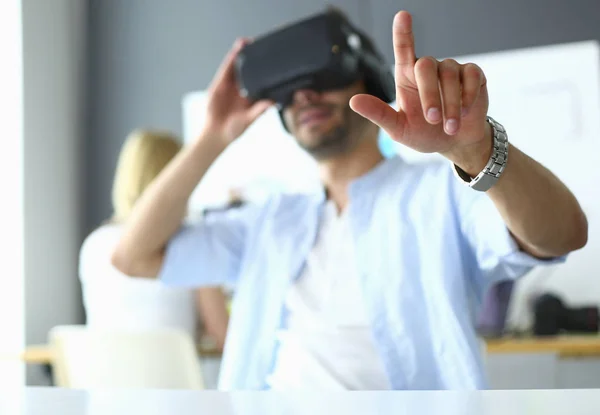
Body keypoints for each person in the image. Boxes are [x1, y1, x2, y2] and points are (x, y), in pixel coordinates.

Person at [111, 10, 588, 390]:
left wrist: (478, 149)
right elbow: (133, 256)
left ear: (369, 82)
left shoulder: (437, 194)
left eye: (323, 76)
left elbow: (562, 234)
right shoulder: (270, 220)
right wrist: (212, 137)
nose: (305, 95)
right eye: (290, 91)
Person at [79, 130, 229, 350]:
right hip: (171, 381)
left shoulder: (94, 244)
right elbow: (224, 336)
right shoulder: (191, 245)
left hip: (100, 382)